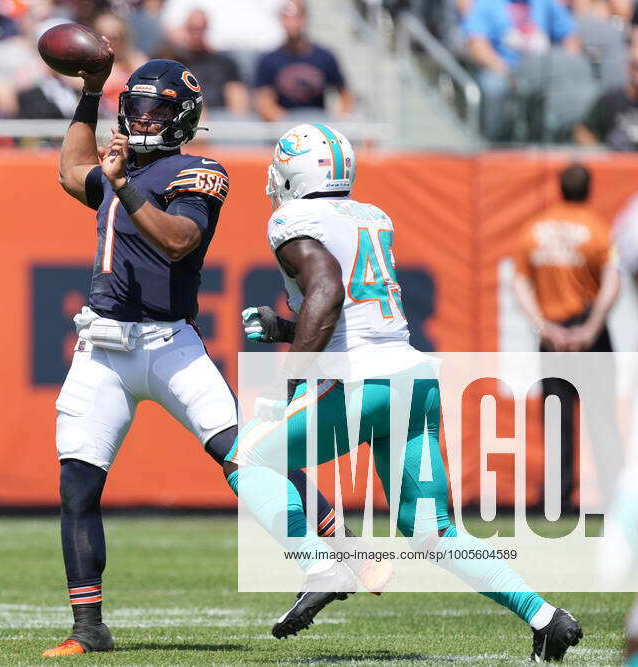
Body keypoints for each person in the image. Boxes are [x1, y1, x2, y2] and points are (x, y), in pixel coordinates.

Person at [43, 51, 388, 657]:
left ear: (184, 117)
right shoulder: (116, 167)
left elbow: (180, 242)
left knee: (247, 454)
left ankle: (342, 547)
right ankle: (88, 628)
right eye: (136, 106)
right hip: (101, 346)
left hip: (169, 343)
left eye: (156, 109)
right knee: (77, 485)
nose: (143, 118)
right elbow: (71, 171)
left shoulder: (198, 172)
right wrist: (90, 93)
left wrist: (121, 181)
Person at [239, 122, 583, 660]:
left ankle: (321, 566)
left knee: (250, 456)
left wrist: (289, 380)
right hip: (413, 381)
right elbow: (353, 308)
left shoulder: (292, 218)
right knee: (431, 531)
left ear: (295, 173)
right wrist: (286, 329)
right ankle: (546, 618)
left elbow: (327, 292)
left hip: (363, 384)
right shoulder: (372, 215)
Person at [512, 163, 620, 510]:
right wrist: (591, 328)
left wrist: (544, 328)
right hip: (589, 333)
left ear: (559, 188)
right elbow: (611, 282)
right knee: (602, 417)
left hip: (553, 334)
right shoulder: (598, 230)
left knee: (557, 419)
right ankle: (614, 497)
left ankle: (557, 502)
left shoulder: (535, 229)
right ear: (589, 189)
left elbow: (520, 282)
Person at [463, 0, 584, 141]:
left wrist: (565, 63)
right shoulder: (486, 4)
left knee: (572, 80)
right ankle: (493, 145)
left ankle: (565, 140)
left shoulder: (545, 3)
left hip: (542, 69)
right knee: (493, 86)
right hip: (503, 69)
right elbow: (477, 46)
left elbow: (571, 36)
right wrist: (507, 73)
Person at [254, 0, 353, 122]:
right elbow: (264, 101)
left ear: (305, 18)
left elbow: (345, 94)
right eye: (287, 18)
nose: (292, 23)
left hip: (318, 123)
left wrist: (340, 119)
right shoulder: (268, 60)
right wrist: (288, 124)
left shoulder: (325, 57)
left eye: (296, 17)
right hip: (284, 126)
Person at [170, 9, 248, 118]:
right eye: (192, 29)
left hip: (222, 117)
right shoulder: (175, 63)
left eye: (200, 29)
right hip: (188, 115)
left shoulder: (225, 62)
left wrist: (237, 120)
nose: (196, 34)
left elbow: (236, 94)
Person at [575, 43, 638, 150]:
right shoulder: (610, 100)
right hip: (617, 163)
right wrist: (600, 155)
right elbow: (582, 131)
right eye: (636, 66)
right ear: (627, 67)